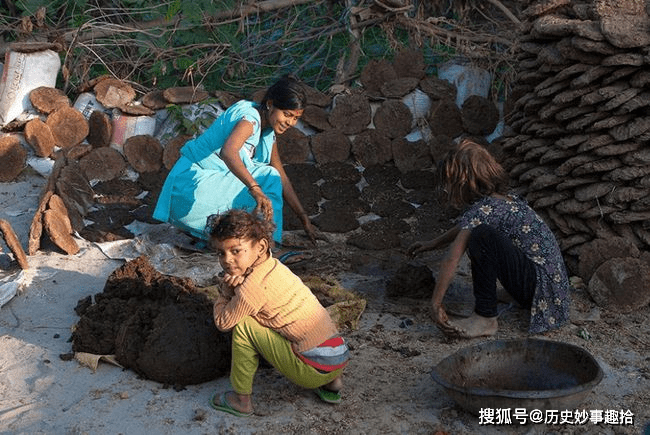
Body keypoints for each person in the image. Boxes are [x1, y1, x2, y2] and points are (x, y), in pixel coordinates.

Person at [408, 139, 570, 338]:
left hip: (540, 293)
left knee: (482, 236)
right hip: (552, 294)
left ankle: (485, 318)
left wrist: (435, 303)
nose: (447, 191)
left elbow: (453, 257)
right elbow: (463, 227)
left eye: (449, 184)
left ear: (463, 181)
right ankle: (509, 297)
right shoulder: (502, 201)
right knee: (481, 233)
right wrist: (432, 244)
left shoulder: (484, 212)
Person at [207, 209, 349, 417]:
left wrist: (226, 292)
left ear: (261, 246)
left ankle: (241, 400)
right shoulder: (275, 267)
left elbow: (223, 322)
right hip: (337, 357)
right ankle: (332, 384)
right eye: (221, 253)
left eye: (236, 251)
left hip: (312, 372)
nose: (227, 260)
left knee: (244, 326)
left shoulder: (251, 290)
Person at [153, 75, 317, 246]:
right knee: (266, 177)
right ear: (270, 104)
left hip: (203, 192)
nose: (290, 122)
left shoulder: (268, 132)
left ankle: (229, 240)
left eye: (295, 118)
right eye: (287, 114)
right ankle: (270, 248)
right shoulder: (249, 119)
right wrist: (255, 189)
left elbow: (282, 177)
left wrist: (304, 218)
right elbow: (228, 152)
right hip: (189, 190)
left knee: (269, 178)